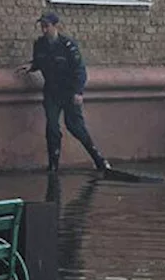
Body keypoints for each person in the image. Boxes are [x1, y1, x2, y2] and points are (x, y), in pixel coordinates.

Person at [17, 12, 109, 173]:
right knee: (52, 127)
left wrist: (78, 92)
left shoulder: (68, 45)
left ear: (56, 26)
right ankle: (53, 165)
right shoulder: (40, 44)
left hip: (69, 91)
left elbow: (80, 70)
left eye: (47, 26)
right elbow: (40, 61)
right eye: (42, 26)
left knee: (75, 127)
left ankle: (99, 159)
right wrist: (31, 66)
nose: (44, 30)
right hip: (52, 92)